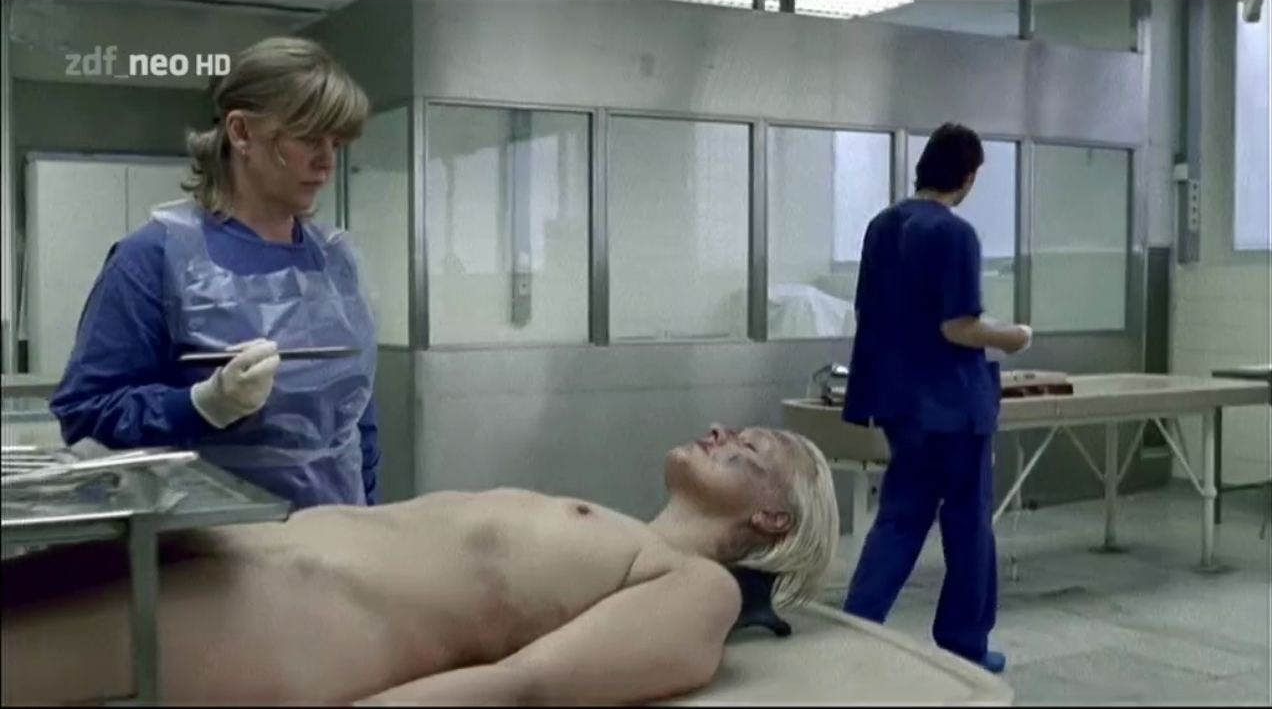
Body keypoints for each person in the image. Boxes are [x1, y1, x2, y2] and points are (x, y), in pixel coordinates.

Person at [1, 425, 839, 706]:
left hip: (272, 621)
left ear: (774, 517)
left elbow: (525, 687)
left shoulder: (701, 590)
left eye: (752, 447)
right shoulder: (617, 531)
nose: (723, 432)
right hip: (230, 554)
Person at [48, 37, 382, 510]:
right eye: (309, 138)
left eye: (337, 143)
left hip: (332, 532)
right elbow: (84, 413)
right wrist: (204, 404)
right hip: (206, 541)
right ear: (241, 133)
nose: (327, 161)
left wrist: (369, 521)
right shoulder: (155, 258)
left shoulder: (337, 263)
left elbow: (359, 419)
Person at [839, 122, 1032, 675]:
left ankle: (855, 627)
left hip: (898, 404)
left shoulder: (882, 226)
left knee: (899, 520)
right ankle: (964, 644)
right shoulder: (954, 234)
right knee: (968, 527)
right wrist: (1013, 337)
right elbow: (958, 327)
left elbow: (870, 313)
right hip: (953, 408)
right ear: (967, 177)